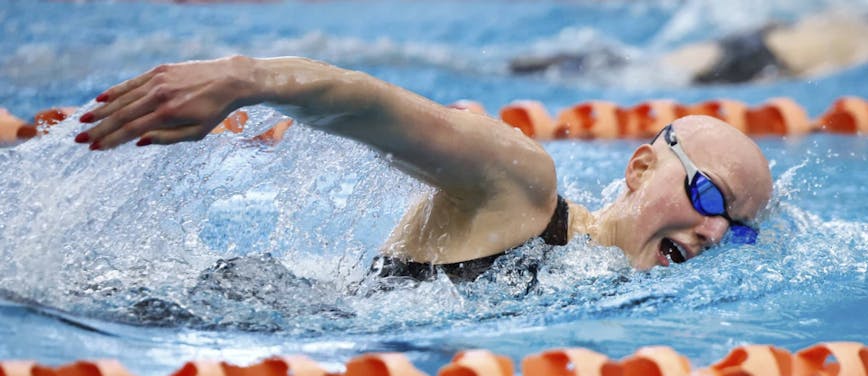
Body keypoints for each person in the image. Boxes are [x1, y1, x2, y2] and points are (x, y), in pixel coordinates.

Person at [73, 55, 772, 282]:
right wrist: (243, 77)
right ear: (641, 166)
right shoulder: (526, 190)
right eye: (709, 194)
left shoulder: (609, 285)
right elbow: (381, 109)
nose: (714, 229)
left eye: (735, 230)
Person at [509, 0, 868, 85]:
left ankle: (533, 64)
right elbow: (817, 72)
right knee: (648, 74)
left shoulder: (853, 15)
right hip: (765, 62)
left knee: (646, 65)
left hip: (754, 38)